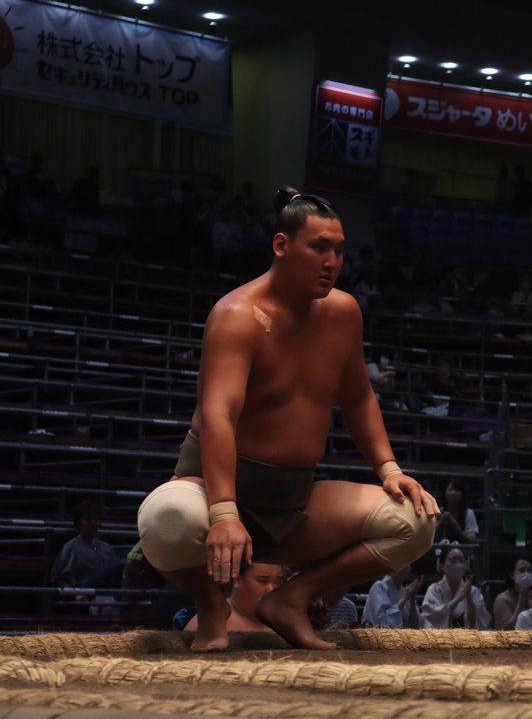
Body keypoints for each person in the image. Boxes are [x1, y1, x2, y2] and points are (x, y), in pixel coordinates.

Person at [135, 188, 439, 652]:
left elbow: (358, 399)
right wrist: (222, 512)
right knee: (166, 518)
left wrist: (390, 470)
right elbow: (219, 416)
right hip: (212, 486)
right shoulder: (235, 315)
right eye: (319, 248)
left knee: (414, 521)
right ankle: (212, 606)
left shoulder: (343, 313)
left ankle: (291, 599)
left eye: (339, 251)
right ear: (282, 245)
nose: (331, 262)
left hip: (294, 502)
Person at [184, 562, 285, 634]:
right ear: (237, 579)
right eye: (262, 581)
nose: (271, 589)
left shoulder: (286, 622)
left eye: (278, 582)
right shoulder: (209, 623)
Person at [50, 501, 124, 588]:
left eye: (96, 520)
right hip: (84, 588)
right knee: (121, 563)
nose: (93, 523)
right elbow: (61, 578)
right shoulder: (71, 547)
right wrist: (76, 594)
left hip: (106, 592)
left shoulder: (106, 547)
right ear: (78, 524)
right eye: (88, 520)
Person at [419, 547, 490, 629]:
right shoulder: (434, 590)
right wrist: (457, 599)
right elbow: (432, 617)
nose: (458, 564)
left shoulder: (473, 591)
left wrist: (468, 597)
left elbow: (478, 623)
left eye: (461, 560)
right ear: (442, 566)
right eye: (453, 561)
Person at [492, 558, 532, 631]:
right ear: (512, 575)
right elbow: (507, 629)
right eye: (522, 570)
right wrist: (521, 603)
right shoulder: (502, 599)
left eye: (529, 570)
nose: (526, 574)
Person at [435, 479, 479, 545]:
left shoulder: (469, 513)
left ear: (462, 494)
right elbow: (427, 537)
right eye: (450, 490)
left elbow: (471, 540)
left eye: (457, 490)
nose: (453, 493)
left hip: (461, 551)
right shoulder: (437, 511)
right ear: (445, 493)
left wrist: (455, 525)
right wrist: (440, 522)